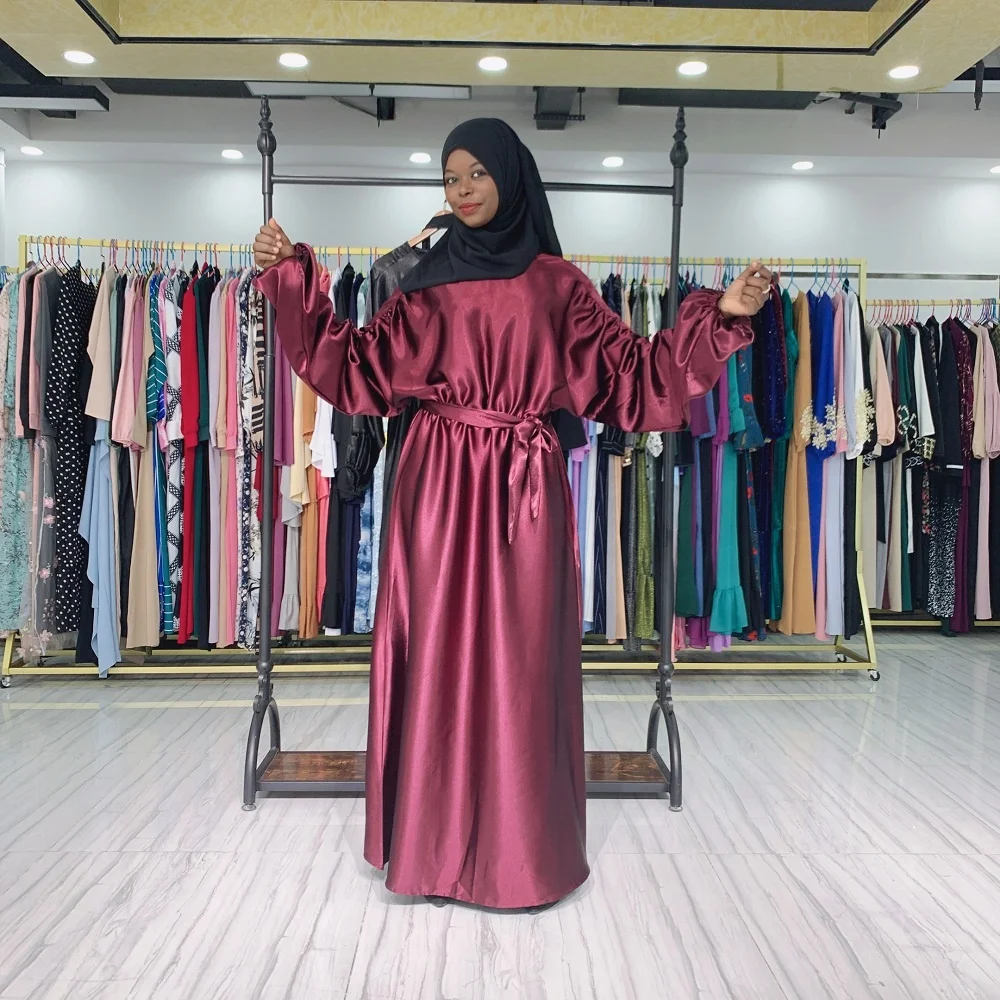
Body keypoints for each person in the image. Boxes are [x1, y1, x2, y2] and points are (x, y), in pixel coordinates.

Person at [253, 118, 769, 911]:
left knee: (522, 665)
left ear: (510, 176)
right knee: (434, 658)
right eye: (450, 177)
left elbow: (636, 377)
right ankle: (431, 853)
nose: (461, 190)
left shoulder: (559, 287)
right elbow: (353, 369)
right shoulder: (422, 285)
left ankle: (519, 857)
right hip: (434, 492)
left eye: (476, 174)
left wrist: (721, 317)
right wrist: (292, 279)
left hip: (526, 492)